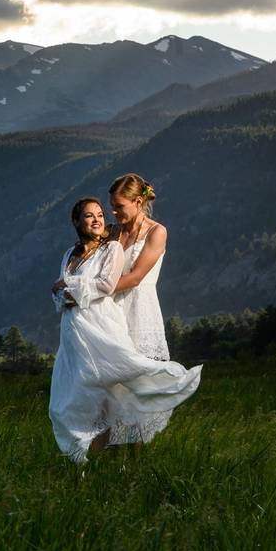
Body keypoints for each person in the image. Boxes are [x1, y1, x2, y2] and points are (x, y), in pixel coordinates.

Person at [48, 197, 201, 464]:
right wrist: (63, 293)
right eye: (88, 215)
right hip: (73, 334)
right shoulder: (68, 255)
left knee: (109, 392)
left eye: (99, 214)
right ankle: (87, 459)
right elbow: (59, 296)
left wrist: (68, 291)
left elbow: (106, 285)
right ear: (76, 221)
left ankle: (102, 461)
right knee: (68, 402)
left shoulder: (111, 249)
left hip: (100, 326)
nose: (97, 219)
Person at [108, 173, 172, 444]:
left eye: (119, 206)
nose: (114, 211)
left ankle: (138, 451)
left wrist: (91, 292)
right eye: (112, 205)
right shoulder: (114, 231)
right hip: (113, 314)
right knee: (113, 386)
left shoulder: (157, 232)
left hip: (141, 310)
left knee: (140, 386)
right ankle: (113, 450)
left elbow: (135, 277)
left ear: (137, 201)